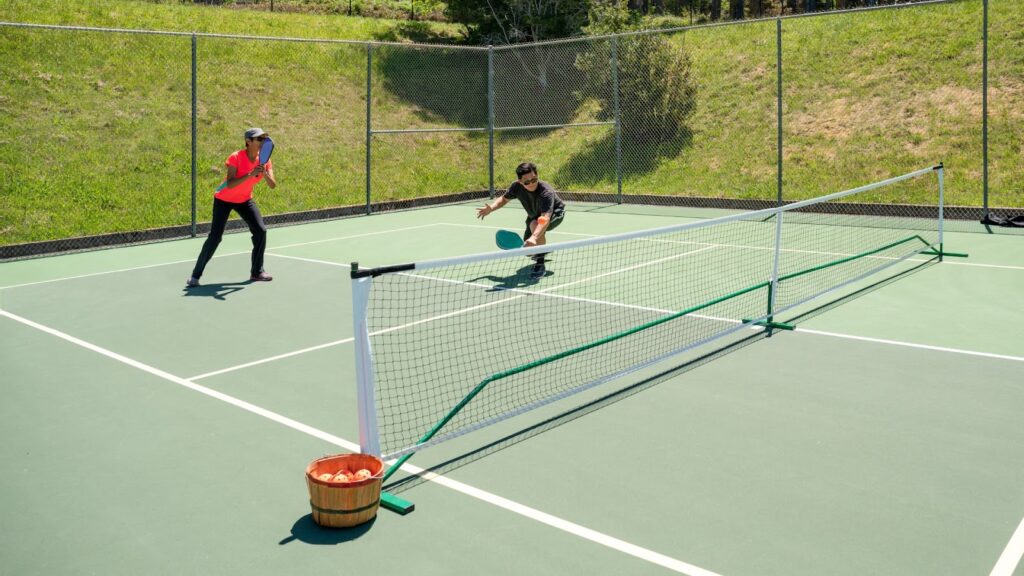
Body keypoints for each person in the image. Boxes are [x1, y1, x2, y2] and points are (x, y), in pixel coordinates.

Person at [186, 127, 277, 288]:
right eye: (259, 139)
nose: (263, 142)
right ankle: (195, 275)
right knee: (215, 237)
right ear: (248, 142)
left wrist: (265, 174)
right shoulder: (236, 157)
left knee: (260, 231)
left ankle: (257, 272)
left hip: (244, 200)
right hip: (224, 199)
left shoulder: (265, 160)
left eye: (264, 139)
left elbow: (272, 185)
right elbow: (231, 183)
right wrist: (250, 174)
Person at [476, 162, 565, 279]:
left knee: (535, 226)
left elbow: (545, 218)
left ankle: (540, 264)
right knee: (528, 251)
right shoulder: (516, 187)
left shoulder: (546, 192)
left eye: (534, 179)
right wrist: (491, 208)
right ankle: (541, 249)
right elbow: (503, 199)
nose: (531, 183)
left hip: (555, 213)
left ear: (537, 176)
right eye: (527, 182)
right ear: (520, 182)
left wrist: (534, 237)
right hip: (534, 214)